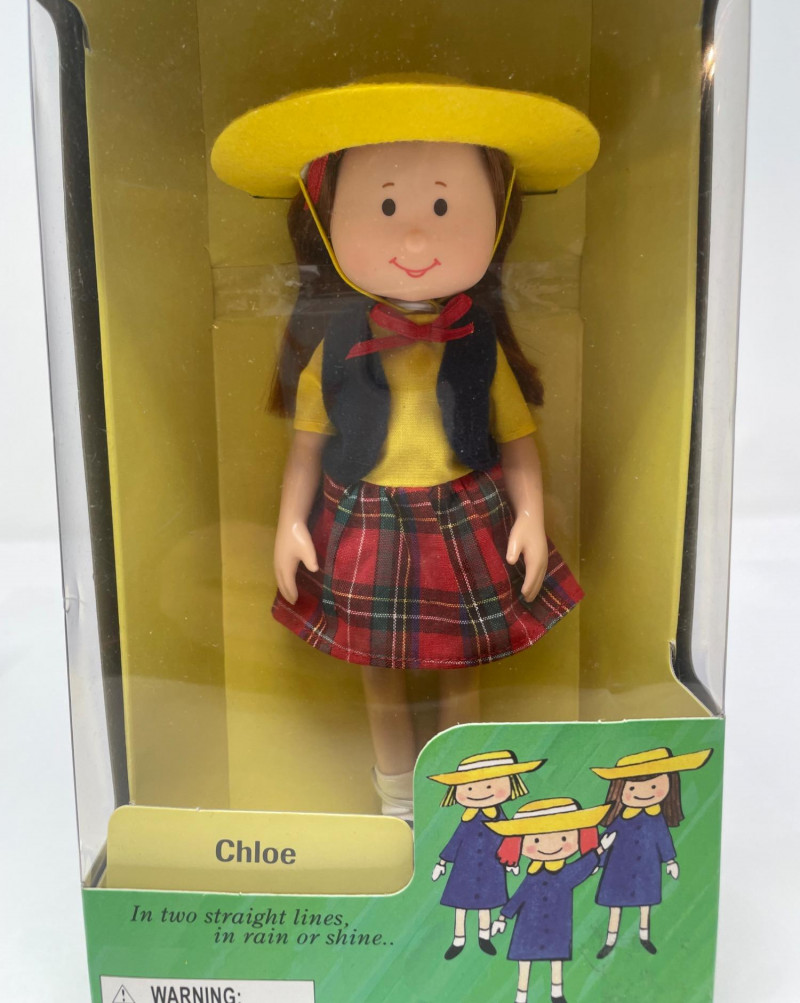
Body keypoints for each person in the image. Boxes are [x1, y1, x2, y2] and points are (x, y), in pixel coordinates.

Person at [211, 80, 599, 818]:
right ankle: (397, 800)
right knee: (377, 672)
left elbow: (518, 440)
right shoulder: (337, 347)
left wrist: (531, 517)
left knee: (464, 668)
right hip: (367, 523)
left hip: (463, 515)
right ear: (326, 221)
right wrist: (290, 524)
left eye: (444, 208)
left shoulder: (477, 341)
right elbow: (306, 450)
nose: (416, 239)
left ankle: (459, 798)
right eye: (387, 208)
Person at [487, 797, 615, 1003]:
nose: (550, 845)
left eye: (563, 837)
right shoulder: (533, 874)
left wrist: (599, 850)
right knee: (524, 959)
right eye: (536, 840)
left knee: (556, 957)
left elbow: (581, 869)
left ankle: (557, 992)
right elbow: (519, 896)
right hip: (527, 924)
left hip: (557, 922)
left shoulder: (566, 874)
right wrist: (503, 917)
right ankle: (521, 995)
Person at [590, 746, 712, 957]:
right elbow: (607, 841)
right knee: (614, 905)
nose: (644, 792)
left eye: (654, 786)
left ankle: (644, 936)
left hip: (646, 867)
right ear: (619, 790)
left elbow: (663, 840)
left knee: (645, 903)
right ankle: (610, 940)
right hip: (617, 869)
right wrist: (596, 862)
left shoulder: (657, 820)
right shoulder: (620, 820)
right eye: (633, 788)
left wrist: (671, 861)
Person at [428, 750, 545, 959]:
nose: (479, 792)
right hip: (464, 868)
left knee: (486, 906)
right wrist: (442, 862)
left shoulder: (501, 820)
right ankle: (458, 939)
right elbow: (456, 840)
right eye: (469, 788)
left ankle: (484, 937)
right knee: (460, 906)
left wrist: (511, 861)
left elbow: (508, 839)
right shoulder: (467, 819)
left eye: (490, 786)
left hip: (491, 867)